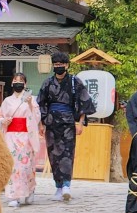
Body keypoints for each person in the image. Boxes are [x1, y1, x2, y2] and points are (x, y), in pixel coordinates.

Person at [38, 52, 95, 202]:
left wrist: (80, 123)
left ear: (67, 66)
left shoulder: (75, 82)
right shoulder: (47, 83)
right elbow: (41, 104)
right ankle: (58, 186)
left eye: (61, 65)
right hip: (51, 122)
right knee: (53, 154)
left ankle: (66, 186)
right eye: (55, 65)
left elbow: (84, 102)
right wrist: (41, 124)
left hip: (69, 122)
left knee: (68, 153)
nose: (58, 67)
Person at [0, 73, 41, 208]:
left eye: (21, 81)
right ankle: (13, 195)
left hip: (26, 136)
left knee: (26, 165)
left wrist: (30, 106)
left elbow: (37, 117)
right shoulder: (7, 101)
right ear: (11, 83)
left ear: (25, 84)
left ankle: (29, 191)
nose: (18, 83)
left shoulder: (31, 100)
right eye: (15, 80)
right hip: (11, 136)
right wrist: (4, 120)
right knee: (13, 166)